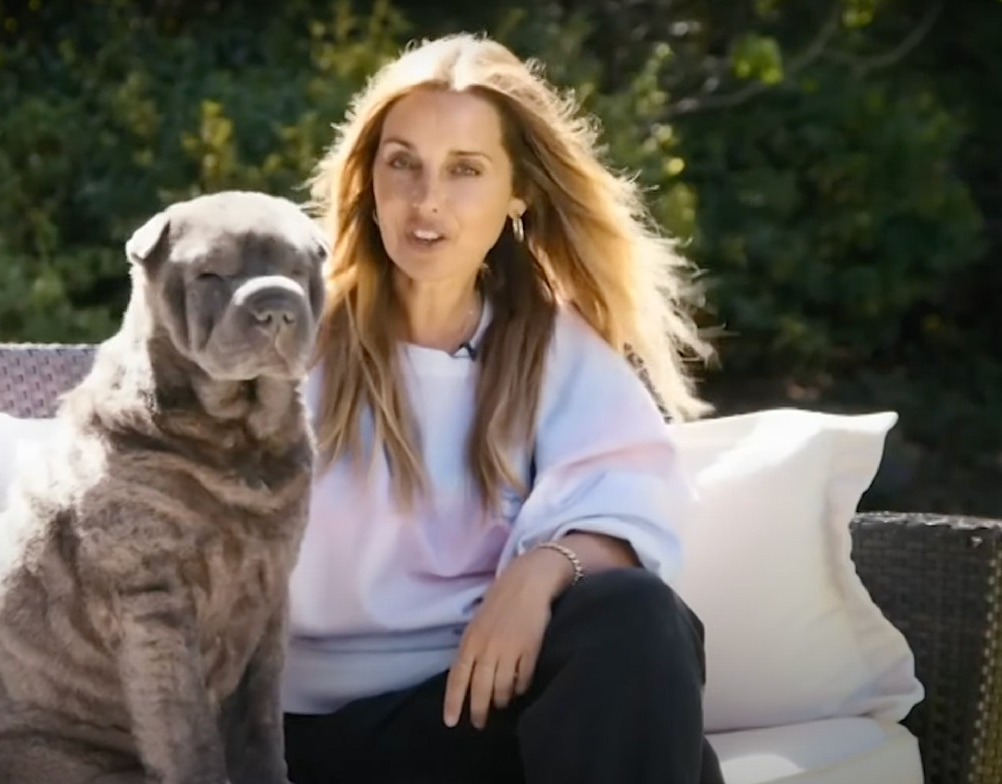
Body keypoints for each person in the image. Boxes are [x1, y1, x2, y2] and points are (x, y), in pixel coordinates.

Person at [279, 32, 727, 784]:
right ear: (368, 180)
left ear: (517, 192)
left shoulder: (550, 344)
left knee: (636, 620)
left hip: (463, 710)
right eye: (403, 164)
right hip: (300, 737)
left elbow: (627, 505)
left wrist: (539, 572)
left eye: (465, 171)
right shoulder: (291, 335)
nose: (427, 201)